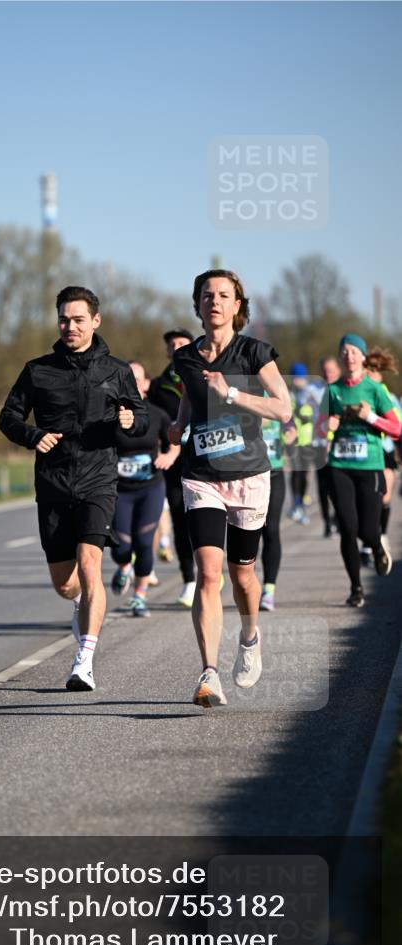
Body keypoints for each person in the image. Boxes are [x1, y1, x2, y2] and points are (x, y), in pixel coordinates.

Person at [0, 285, 148, 692]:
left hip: (98, 479)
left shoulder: (116, 371)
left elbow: (142, 416)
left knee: (90, 565)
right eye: (64, 319)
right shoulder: (37, 370)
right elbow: (8, 417)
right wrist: (32, 436)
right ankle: (82, 605)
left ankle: (84, 659)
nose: (71, 326)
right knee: (66, 584)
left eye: (79, 319)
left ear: (95, 321)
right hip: (52, 483)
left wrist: (131, 422)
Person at [169, 269, 292, 708]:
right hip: (201, 476)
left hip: (250, 477)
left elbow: (283, 408)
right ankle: (209, 673)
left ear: (238, 304)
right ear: (197, 305)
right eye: (206, 295)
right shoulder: (185, 358)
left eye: (223, 295)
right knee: (209, 573)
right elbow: (189, 394)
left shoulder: (254, 353)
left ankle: (249, 635)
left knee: (243, 577)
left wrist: (234, 394)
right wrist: (179, 425)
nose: (214, 302)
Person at [324, 334, 401, 607]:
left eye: (354, 351)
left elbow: (396, 428)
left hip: (370, 466)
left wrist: (370, 417)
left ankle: (377, 546)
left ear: (363, 356)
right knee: (347, 527)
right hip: (339, 466)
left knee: (368, 529)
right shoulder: (332, 390)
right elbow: (321, 429)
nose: (349, 355)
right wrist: (327, 428)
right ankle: (356, 588)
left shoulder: (375, 390)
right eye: (344, 351)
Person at [111, 362, 180, 618]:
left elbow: (175, 440)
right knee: (120, 547)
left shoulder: (157, 414)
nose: (133, 384)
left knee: (143, 542)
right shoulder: (111, 416)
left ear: (146, 384)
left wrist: (169, 456)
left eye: (137, 379)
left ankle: (139, 597)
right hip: (120, 490)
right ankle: (124, 567)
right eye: (127, 379)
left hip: (150, 487)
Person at [148, 329, 197, 606]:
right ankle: (189, 580)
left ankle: (210, 569)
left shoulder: (207, 377)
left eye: (182, 344)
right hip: (174, 465)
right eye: (172, 345)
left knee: (205, 520)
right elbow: (153, 426)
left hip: (206, 460)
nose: (177, 348)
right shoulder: (158, 387)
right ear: (168, 352)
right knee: (179, 519)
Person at [364, 347, 401, 553]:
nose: (369, 374)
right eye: (367, 370)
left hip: (385, 452)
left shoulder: (387, 396)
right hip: (365, 453)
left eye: (372, 371)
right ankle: (370, 539)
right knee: (367, 498)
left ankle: (381, 535)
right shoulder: (360, 393)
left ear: (379, 373)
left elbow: (398, 429)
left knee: (383, 496)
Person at [259, 410, 296, 612]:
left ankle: (268, 590)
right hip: (247, 473)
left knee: (271, 529)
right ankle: (247, 584)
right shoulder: (236, 387)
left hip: (274, 472)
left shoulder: (275, 390)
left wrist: (291, 432)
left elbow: (289, 422)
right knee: (248, 532)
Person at [287, 362, 323, 525]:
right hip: (293, 440)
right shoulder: (289, 394)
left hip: (308, 439)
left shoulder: (310, 394)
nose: (297, 382)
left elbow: (318, 414)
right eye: (294, 378)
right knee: (296, 471)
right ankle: (296, 504)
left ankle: (301, 503)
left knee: (304, 473)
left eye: (299, 379)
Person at [315, 356, 341, 537]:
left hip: (338, 446)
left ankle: (338, 518)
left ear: (338, 370)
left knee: (338, 487)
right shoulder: (314, 390)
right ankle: (327, 521)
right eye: (325, 370)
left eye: (331, 370)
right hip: (318, 445)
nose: (328, 374)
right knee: (322, 487)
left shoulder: (342, 389)